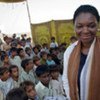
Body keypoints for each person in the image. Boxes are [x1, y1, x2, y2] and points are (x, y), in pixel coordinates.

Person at [62, 5, 100, 100]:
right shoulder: (70, 51)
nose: (85, 31)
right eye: (79, 26)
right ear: (74, 27)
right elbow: (66, 80)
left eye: (91, 26)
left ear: (97, 25)